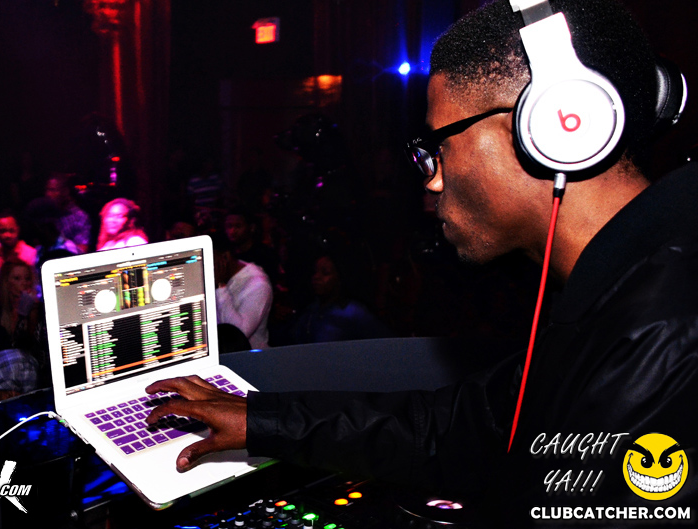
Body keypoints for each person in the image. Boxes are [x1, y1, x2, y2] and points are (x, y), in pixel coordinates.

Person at [142, 0, 697, 526]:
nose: (431, 179)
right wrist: (261, 420)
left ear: (554, 127)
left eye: (440, 145)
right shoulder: (626, 291)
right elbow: (452, 430)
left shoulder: (666, 333)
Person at [213, 235, 273, 350]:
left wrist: (220, 286)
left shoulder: (258, 285)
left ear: (225, 257)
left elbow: (237, 335)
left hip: (250, 357)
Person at [44, 172, 91, 253]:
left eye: (53, 190)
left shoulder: (79, 216)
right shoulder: (44, 213)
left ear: (65, 192)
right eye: (47, 190)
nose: (48, 194)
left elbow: (82, 250)